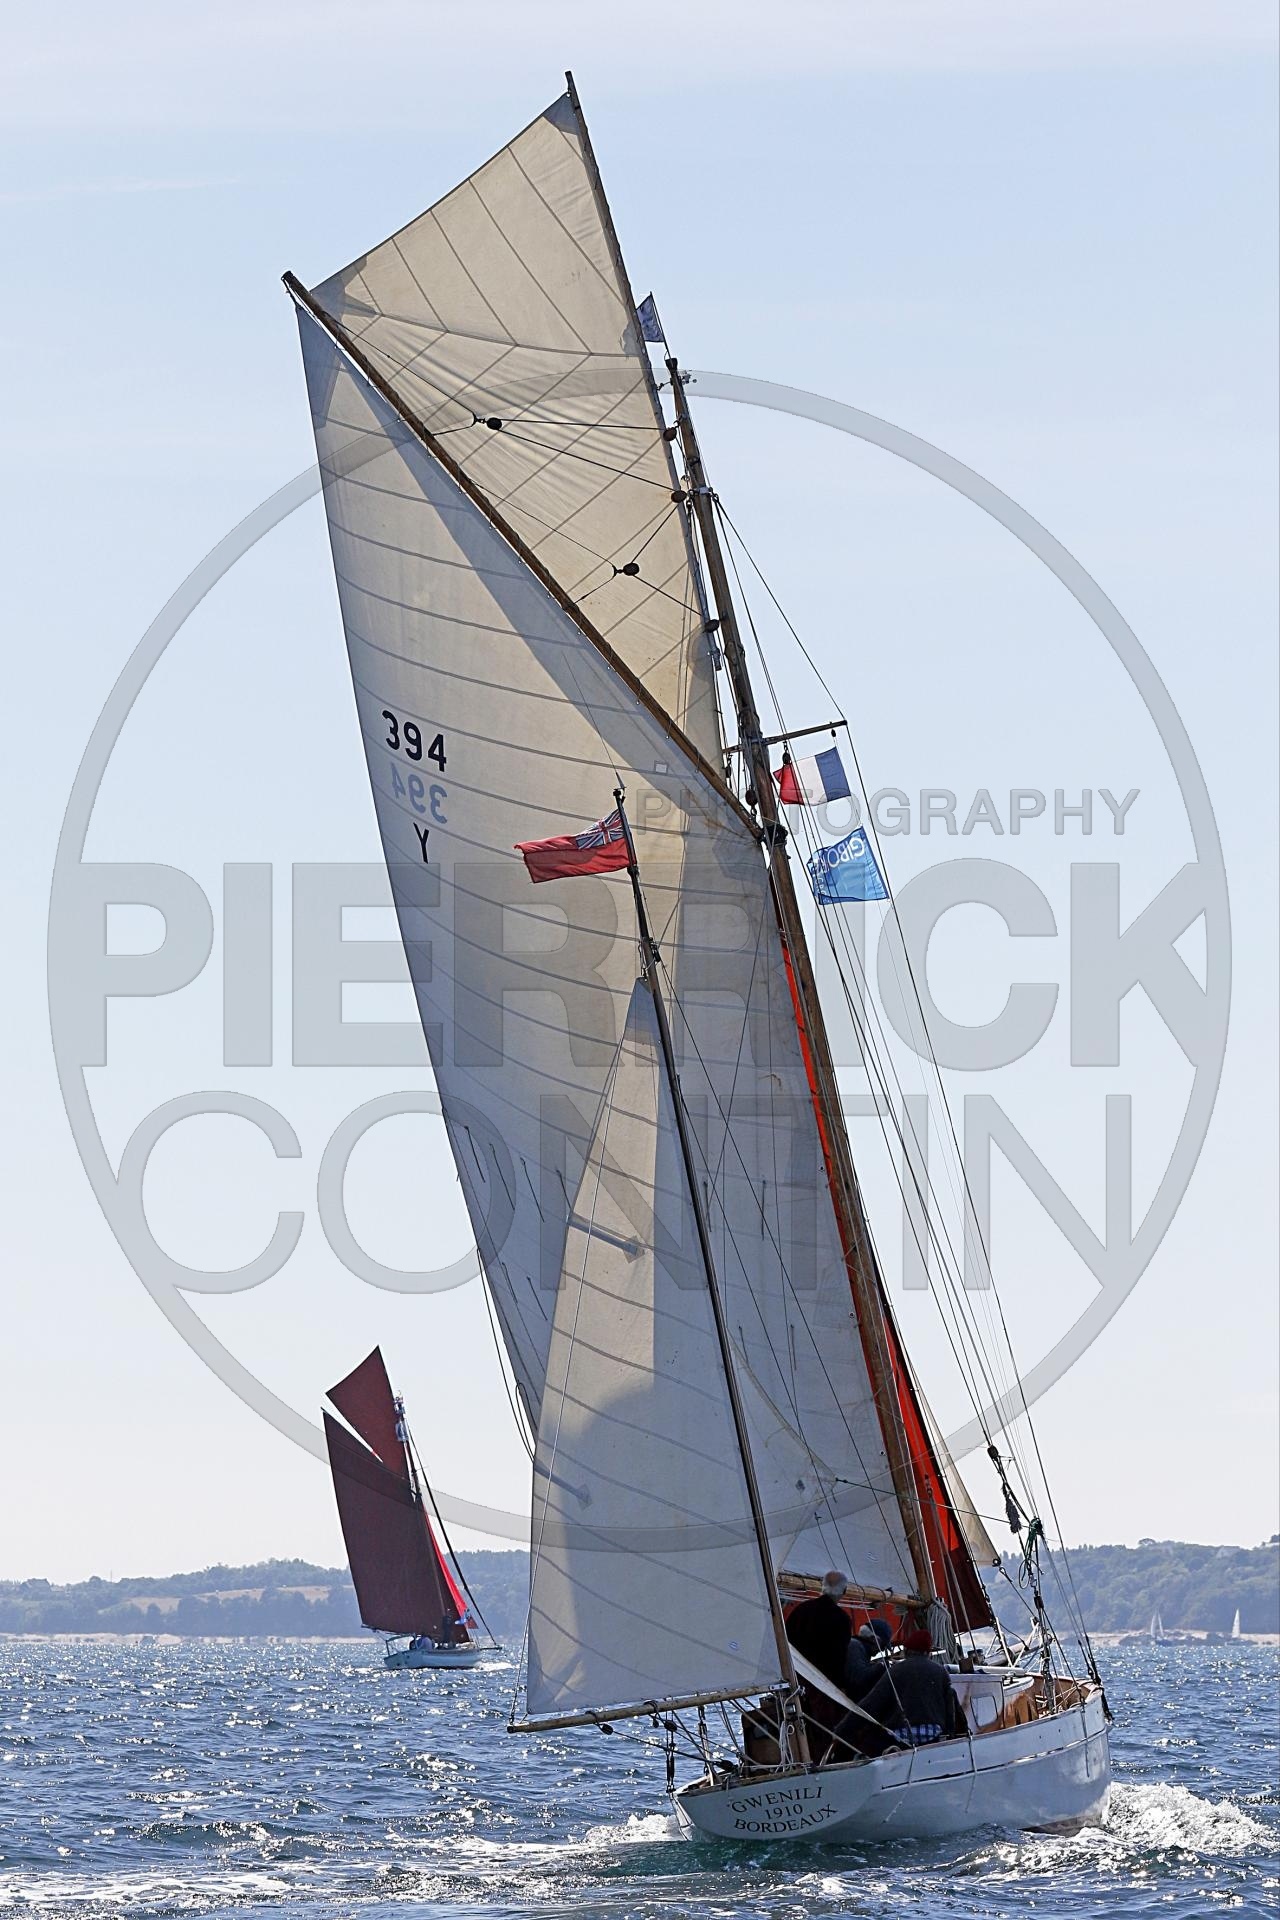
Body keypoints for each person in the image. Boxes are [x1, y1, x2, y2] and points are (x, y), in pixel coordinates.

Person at [831, 1626, 966, 1758]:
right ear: (928, 1653)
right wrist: (952, 1735)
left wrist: (841, 1730)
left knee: (868, 1741)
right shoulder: (941, 1672)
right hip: (933, 1735)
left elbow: (870, 1704)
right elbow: (951, 1706)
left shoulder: (894, 1671)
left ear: (906, 1651)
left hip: (900, 1739)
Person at [785, 1571, 852, 1689]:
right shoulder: (842, 1619)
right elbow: (839, 1657)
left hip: (796, 1677)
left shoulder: (801, 1609)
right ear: (845, 1590)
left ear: (822, 1586)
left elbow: (786, 1641)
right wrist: (841, 1687)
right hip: (823, 1684)